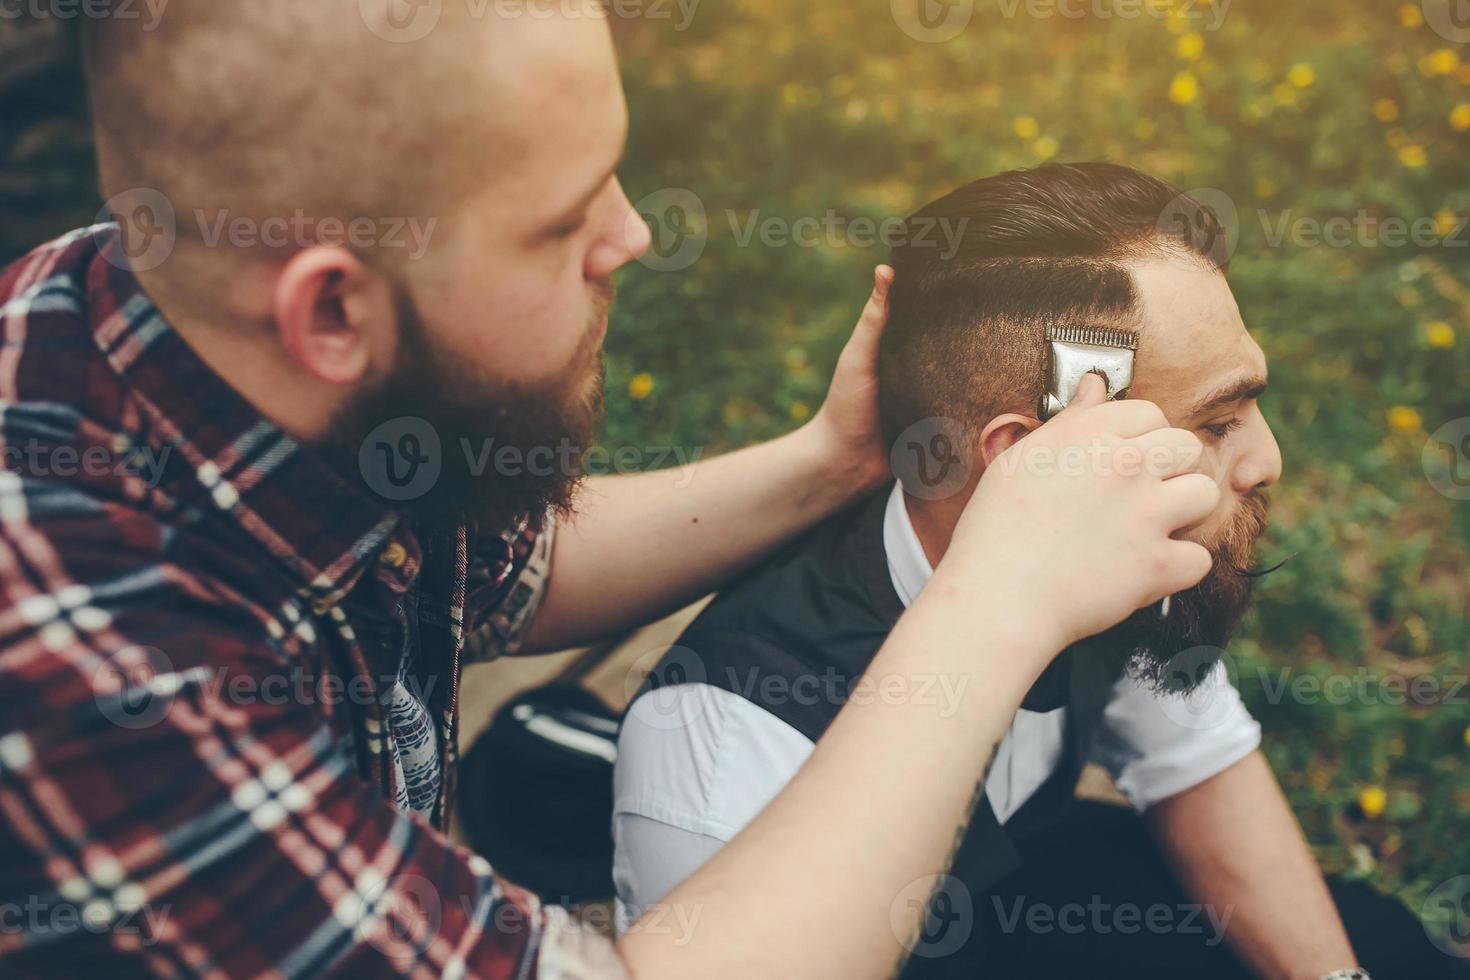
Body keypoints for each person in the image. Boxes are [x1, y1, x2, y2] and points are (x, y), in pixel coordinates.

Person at [0, 5, 1221, 978]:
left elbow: (510, 583)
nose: (630, 236)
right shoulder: (99, 676)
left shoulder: (171, 314)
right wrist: (993, 602)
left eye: (613, 177)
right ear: (329, 310)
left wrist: (829, 459)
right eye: (558, 223)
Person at [613, 164, 1460, 979]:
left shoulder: (1126, 539)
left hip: (1014, 889)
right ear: (1030, 460)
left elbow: (1196, 757)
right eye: (1219, 420)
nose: (1267, 458)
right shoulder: (729, 748)